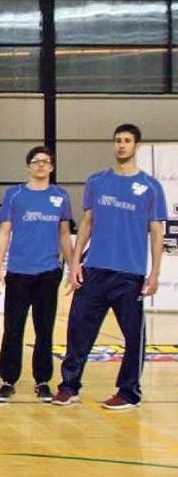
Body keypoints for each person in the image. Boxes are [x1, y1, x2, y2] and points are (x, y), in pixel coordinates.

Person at [53, 124, 166, 410]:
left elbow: (156, 231)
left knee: (133, 336)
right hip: (95, 270)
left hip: (130, 274)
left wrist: (154, 273)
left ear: (136, 146)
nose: (121, 145)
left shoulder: (151, 187)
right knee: (78, 330)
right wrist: (76, 262)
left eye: (127, 141)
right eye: (117, 140)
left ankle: (129, 392)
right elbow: (88, 222)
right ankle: (69, 386)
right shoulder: (97, 181)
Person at [0, 146, 73, 403]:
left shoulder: (61, 197)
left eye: (45, 162)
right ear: (28, 166)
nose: (41, 165)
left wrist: (73, 267)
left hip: (48, 273)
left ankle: (42, 380)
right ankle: (8, 380)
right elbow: (4, 233)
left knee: (44, 330)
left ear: (51, 167)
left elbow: (64, 235)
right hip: (18, 272)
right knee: (13, 328)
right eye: (36, 161)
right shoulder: (15, 195)